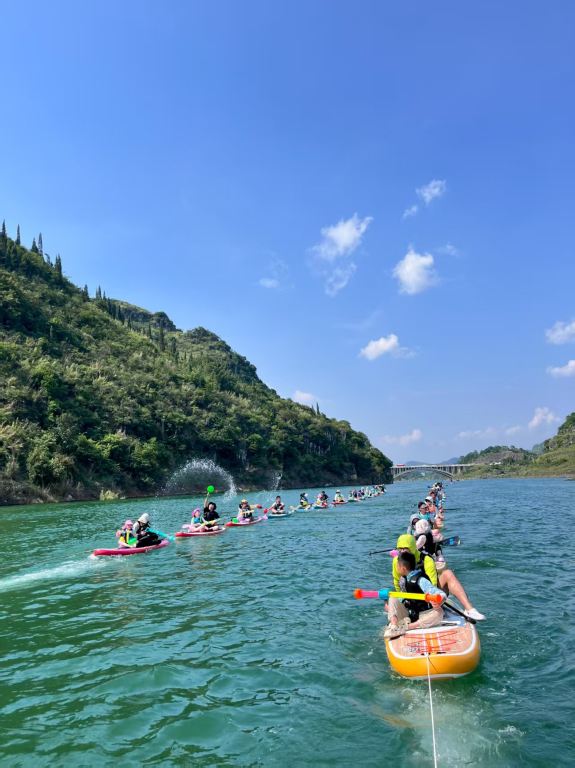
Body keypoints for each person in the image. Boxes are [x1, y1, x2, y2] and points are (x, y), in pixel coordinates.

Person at [392, 534, 485, 621]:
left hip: (429, 594)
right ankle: (394, 622)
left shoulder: (426, 559)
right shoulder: (397, 561)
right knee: (390, 600)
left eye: (405, 548)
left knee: (448, 573)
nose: (403, 551)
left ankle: (469, 609)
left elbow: (432, 583)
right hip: (410, 596)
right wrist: (404, 600)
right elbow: (397, 583)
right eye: (400, 549)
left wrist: (431, 600)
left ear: (412, 547)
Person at [384, 550, 446, 638]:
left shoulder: (421, 580)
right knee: (392, 597)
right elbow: (403, 597)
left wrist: (438, 601)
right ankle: (394, 627)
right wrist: (390, 605)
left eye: (397, 565)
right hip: (411, 613)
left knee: (439, 612)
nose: (396, 567)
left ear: (403, 568)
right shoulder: (403, 580)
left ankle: (406, 627)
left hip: (424, 614)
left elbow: (441, 594)